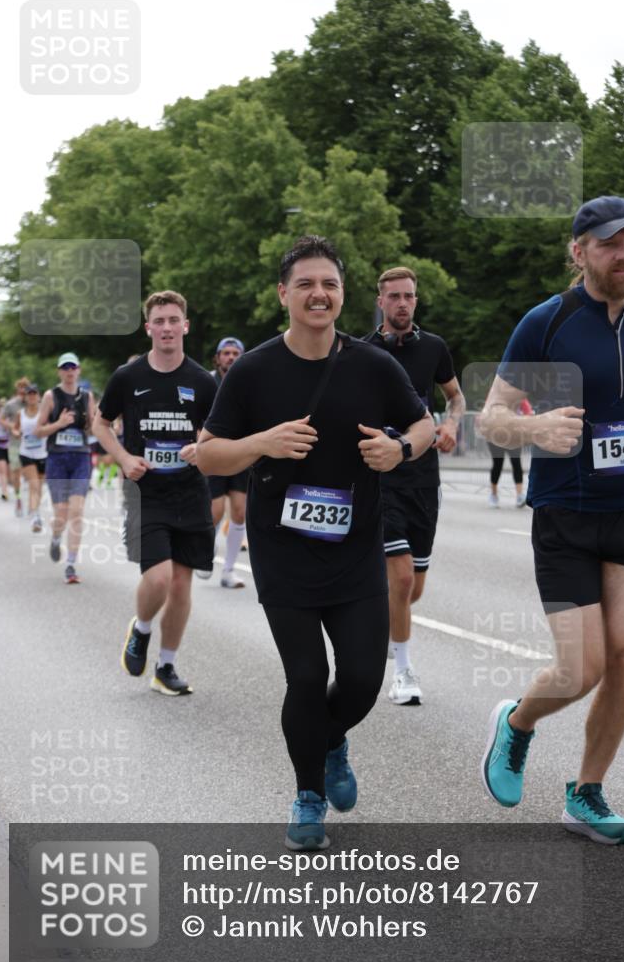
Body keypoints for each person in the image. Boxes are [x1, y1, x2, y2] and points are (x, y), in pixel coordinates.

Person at [197, 236, 435, 850]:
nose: (318, 294)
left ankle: (330, 741)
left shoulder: (373, 364)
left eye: (328, 283)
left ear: (343, 294)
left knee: (359, 678)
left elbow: (425, 423)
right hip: (283, 551)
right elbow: (206, 452)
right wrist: (261, 444)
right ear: (284, 294)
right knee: (306, 677)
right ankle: (307, 794)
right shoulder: (254, 369)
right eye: (304, 284)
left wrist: (400, 448)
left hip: (356, 548)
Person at [478, 195, 624, 845]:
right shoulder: (545, 325)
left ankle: (585, 793)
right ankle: (517, 724)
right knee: (580, 671)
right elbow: (490, 417)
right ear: (578, 251)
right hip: (563, 517)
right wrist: (535, 426)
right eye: (610, 243)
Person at [92, 290, 217, 696]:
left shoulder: (202, 381)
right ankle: (141, 628)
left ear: (186, 325)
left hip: (190, 490)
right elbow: (100, 424)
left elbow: (218, 432)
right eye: (158, 321)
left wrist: (202, 447)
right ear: (148, 328)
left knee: (182, 584)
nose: (166, 327)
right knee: (160, 577)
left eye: (173, 320)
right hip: (146, 492)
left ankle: (166, 666)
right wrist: (125, 458)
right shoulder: (128, 378)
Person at [364, 267, 464, 705]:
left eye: (409, 296)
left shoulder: (435, 348)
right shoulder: (362, 353)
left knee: (413, 586)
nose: (403, 303)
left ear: (415, 301)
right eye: (394, 297)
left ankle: (388, 628)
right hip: (381, 479)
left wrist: (452, 425)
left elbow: (455, 397)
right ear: (381, 302)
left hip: (423, 479)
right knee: (401, 578)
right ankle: (403, 673)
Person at [36, 353, 95, 584]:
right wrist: (59, 424)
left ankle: (70, 564)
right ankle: (56, 536)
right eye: (65, 367)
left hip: (80, 457)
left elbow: (93, 425)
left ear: (78, 370)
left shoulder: (87, 396)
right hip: (57, 459)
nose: (69, 371)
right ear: (59, 371)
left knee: (77, 512)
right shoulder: (51, 396)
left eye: (73, 367)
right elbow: (38, 431)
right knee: (61, 513)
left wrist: (97, 424)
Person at [196, 336, 249, 587]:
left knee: (240, 511)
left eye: (235, 353)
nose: (230, 357)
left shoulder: (249, 381)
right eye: (226, 353)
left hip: (241, 452)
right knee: (215, 511)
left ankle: (228, 572)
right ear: (217, 358)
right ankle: (204, 553)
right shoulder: (207, 382)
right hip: (215, 453)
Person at [487, 398, 533, 509]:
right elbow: (487, 415)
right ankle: (493, 495)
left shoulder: (520, 399)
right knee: (498, 464)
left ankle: (519, 496)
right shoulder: (497, 397)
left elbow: (529, 414)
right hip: (495, 436)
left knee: (516, 463)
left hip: (513, 437)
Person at [15, 384, 47, 531]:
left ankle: (33, 508)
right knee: (34, 485)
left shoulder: (45, 412)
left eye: (34, 393)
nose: (32, 396)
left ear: (39, 396)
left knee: (39, 487)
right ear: (26, 397)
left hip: (43, 453)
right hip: (26, 453)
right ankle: (36, 518)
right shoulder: (20, 413)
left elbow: (51, 427)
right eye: (29, 394)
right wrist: (16, 432)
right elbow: (15, 428)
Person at [1, 377, 30, 516]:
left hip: (31, 443)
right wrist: (13, 427)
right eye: (21, 388)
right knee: (16, 471)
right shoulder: (11, 404)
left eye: (26, 388)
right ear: (18, 390)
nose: (23, 391)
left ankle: (31, 497)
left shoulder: (34, 403)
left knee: (29, 471)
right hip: (14, 442)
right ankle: (18, 498)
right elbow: (1, 419)